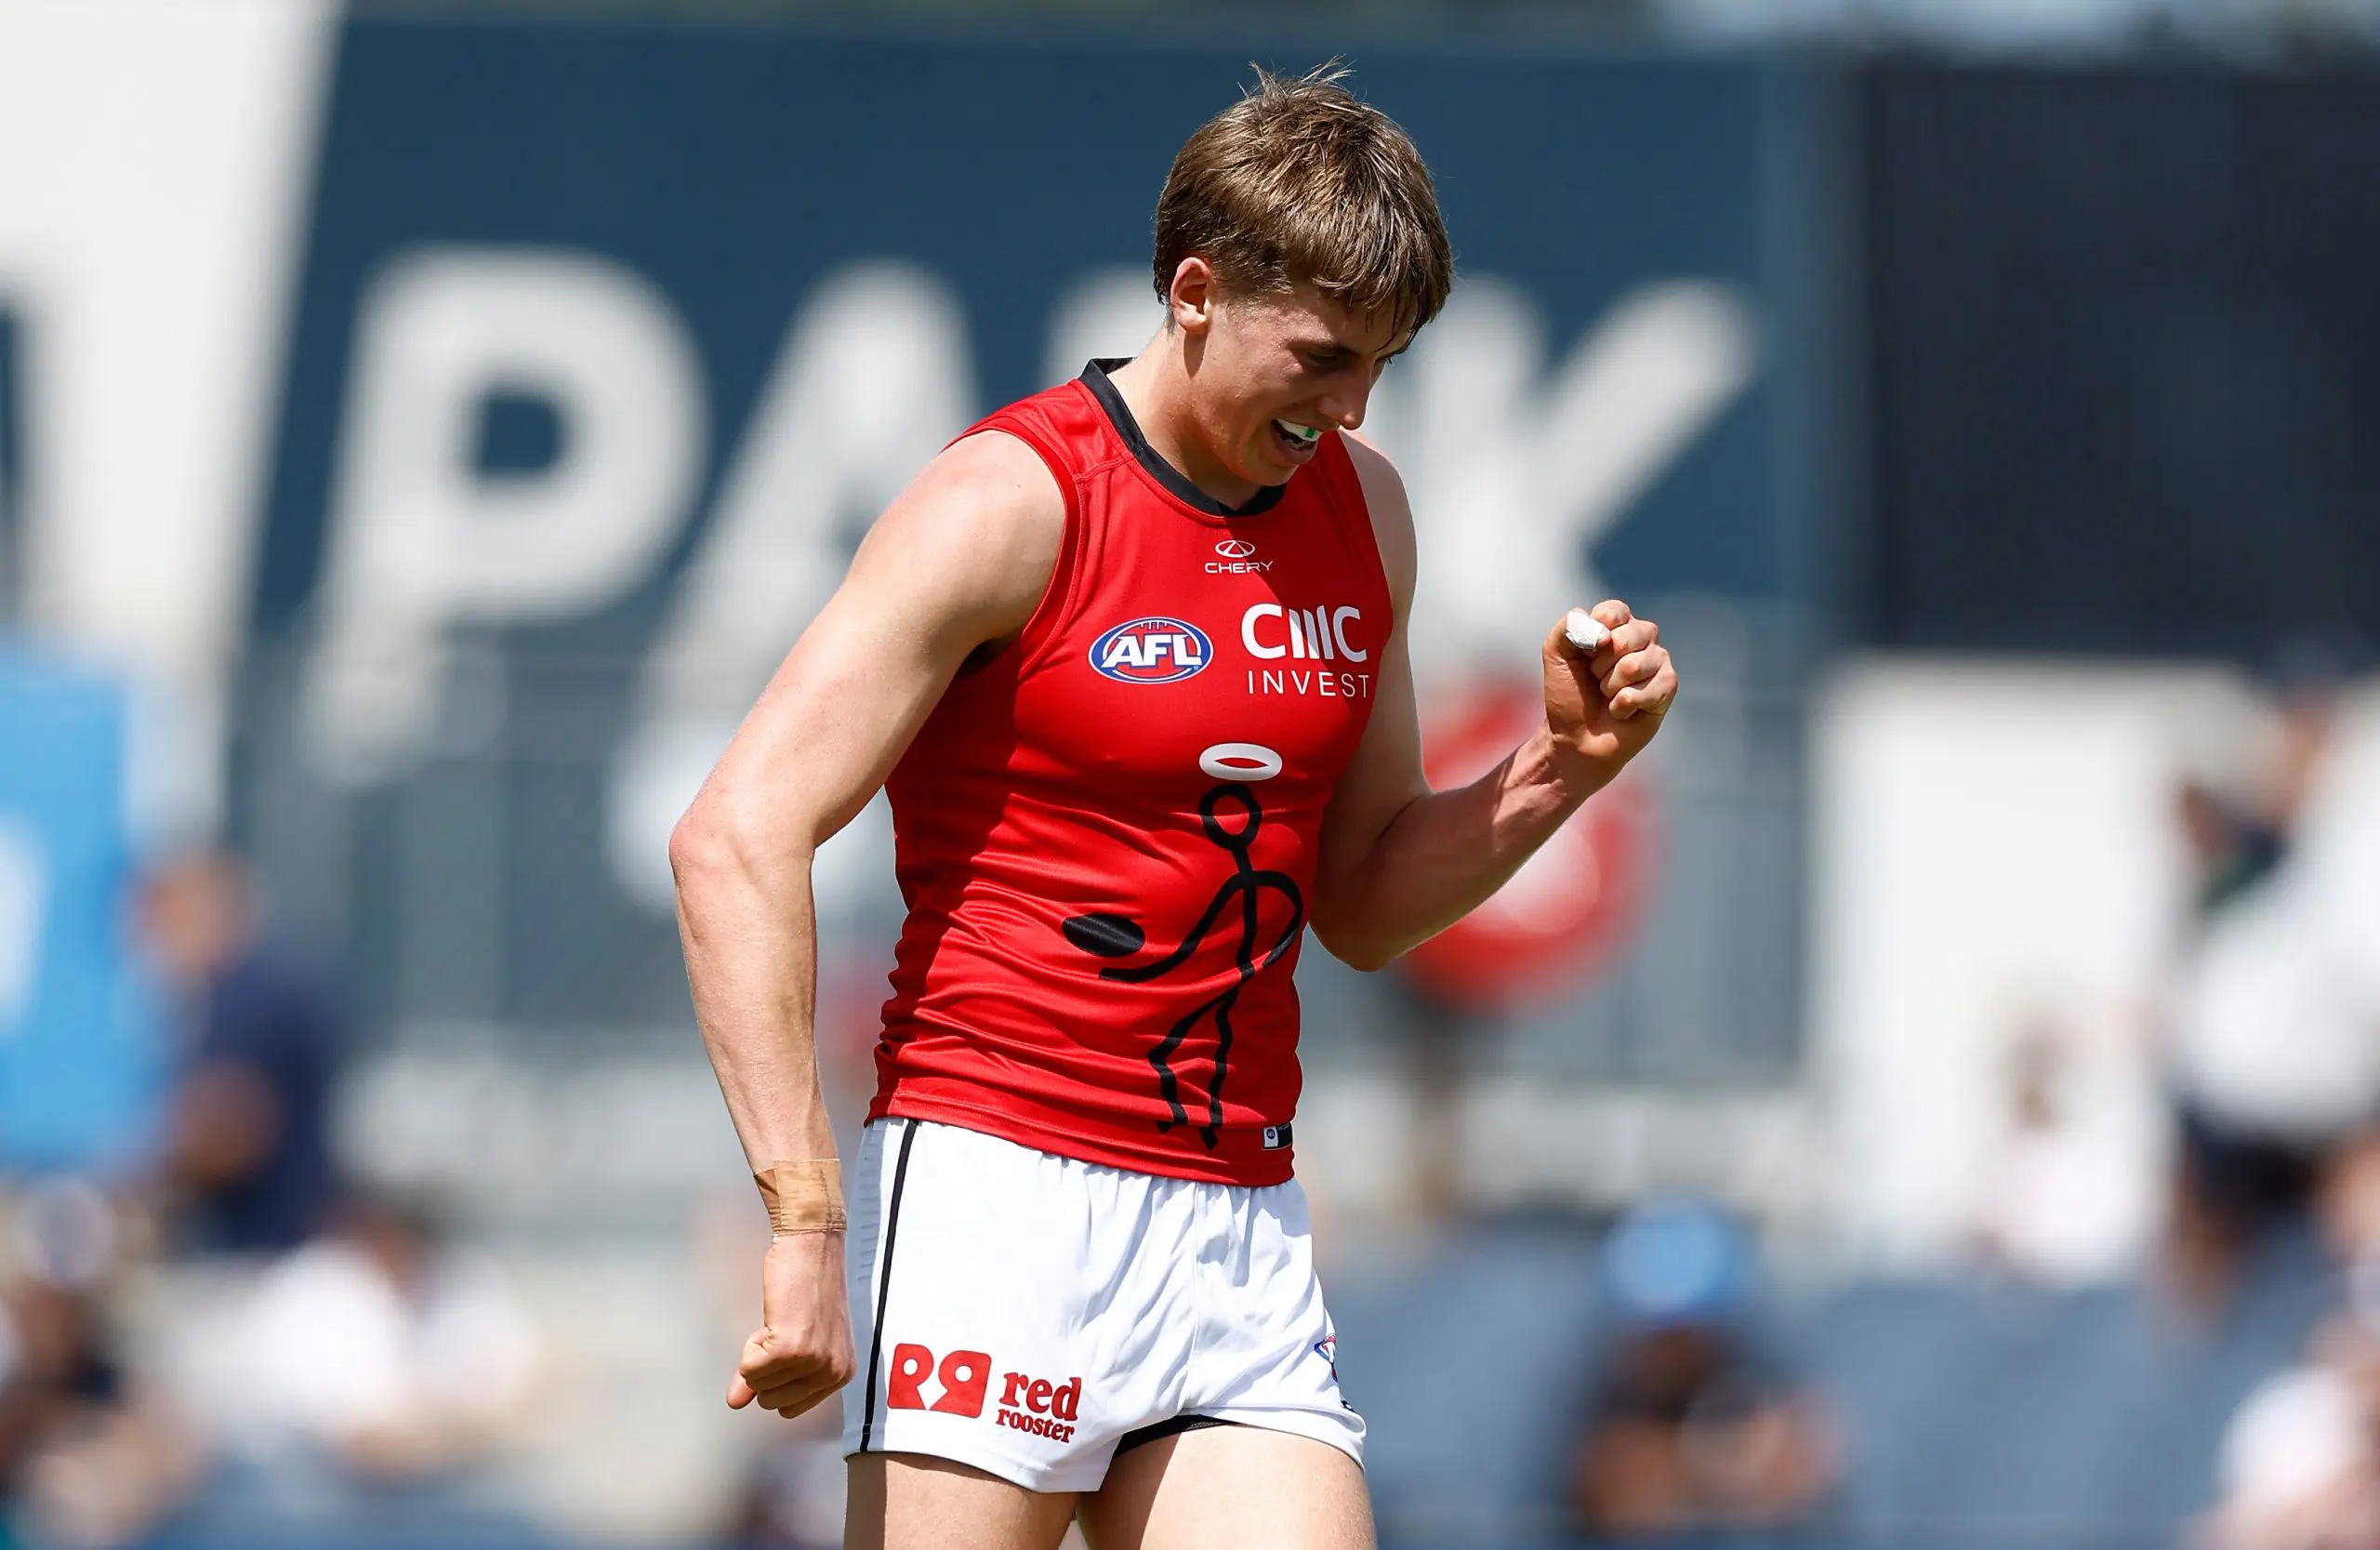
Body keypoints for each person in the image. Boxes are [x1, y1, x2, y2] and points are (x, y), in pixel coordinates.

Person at [670, 64, 1679, 1550]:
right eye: (1326, 354)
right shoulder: (1013, 502)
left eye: (1381, 367)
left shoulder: (1367, 512)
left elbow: (1366, 903)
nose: (1349, 408)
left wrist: (1557, 770)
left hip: (1237, 1214)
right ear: (1195, 290)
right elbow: (734, 835)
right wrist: (805, 1221)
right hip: (997, 1194)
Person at [138, 851, 342, 1255]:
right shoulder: (233, 993)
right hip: (273, 1242)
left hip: (268, 1249)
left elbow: (233, 1128)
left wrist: (143, 1167)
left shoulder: (252, 994)